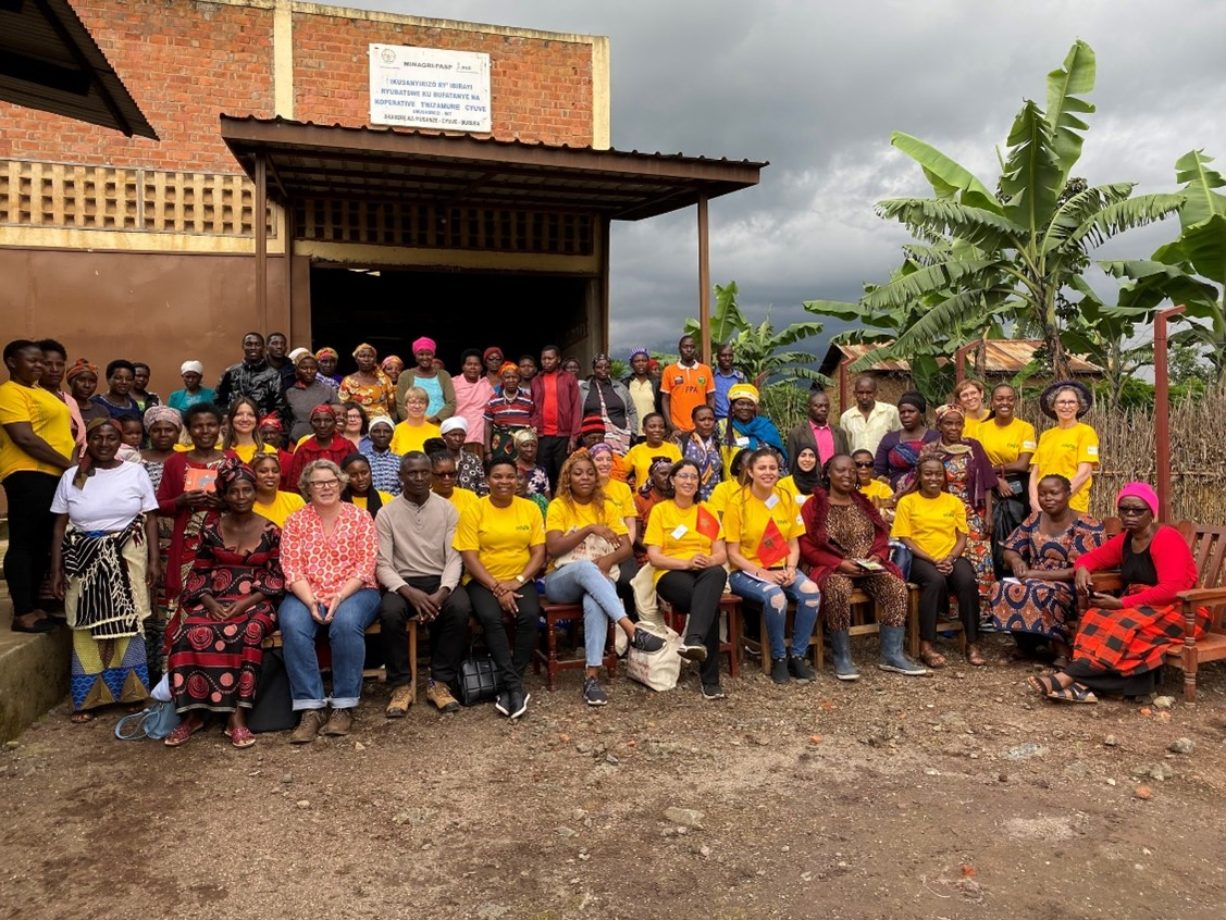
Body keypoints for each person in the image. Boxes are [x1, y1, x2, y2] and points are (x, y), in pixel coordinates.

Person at [1030, 482, 1204, 704]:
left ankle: (1067, 678)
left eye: (1138, 510)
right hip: (1143, 605)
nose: (1130, 515)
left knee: (1125, 626)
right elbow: (1092, 558)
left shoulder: (1166, 538)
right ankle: (1131, 686)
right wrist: (1082, 569)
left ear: (1151, 512)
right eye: (1124, 509)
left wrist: (1123, 604)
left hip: (1182, 608)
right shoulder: (1126, 539)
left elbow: (1173, 589)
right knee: (1095, 616)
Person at [163, 459, 284, 748]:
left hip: (257, 601)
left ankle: (237, 717)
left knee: (247, 632)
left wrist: (243, 605)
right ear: (224, 495)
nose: (241, 497)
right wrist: (210, 602)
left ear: (255, 493)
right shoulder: (212, 529)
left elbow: (277, 577)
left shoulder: (271, 530)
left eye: (246, 491)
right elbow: (199, 572)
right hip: (215, 598)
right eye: (234, 492)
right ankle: (193, 715)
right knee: (188, 632)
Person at [49, 418, 159, 720]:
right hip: (82, 558)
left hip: (127, 555)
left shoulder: (135, 472)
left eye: (111, 438)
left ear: (119, 441)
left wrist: (154, 561)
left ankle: (132, 694)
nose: (105, 443)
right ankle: (88, 700)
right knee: (85, 624)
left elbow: (149, 517)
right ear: (88, 442)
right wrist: (56, 569)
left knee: (128, 622)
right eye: (97, 437)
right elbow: (59, 524)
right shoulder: (73, 476)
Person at [543, 450, 662, 705]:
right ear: (568, 478)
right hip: (560, 579)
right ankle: (631, 628)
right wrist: (589, 529)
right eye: (578, 473)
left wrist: (609, 559)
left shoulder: (606, 505)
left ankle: (591, 677)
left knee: (594, 601)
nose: (584, 477)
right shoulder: (559, 505)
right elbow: (553, 549)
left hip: (597, 575)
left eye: (589, 473)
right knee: (587, 568)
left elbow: (626, 548)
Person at [279, 458, 381, 742]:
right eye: (318, 483)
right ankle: (310, 708)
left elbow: (365, 566)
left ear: (341, 483)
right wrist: (311, 601)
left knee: (346, 623)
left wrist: (339, 596)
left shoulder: (360, 517)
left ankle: (344, 706)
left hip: (356, 591)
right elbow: (292, 567)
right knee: (291, 622)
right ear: (307, 488)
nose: (325, 487)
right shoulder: (296, 520)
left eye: (331, 481)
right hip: (306, 592)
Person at [800, 454, 925, 680]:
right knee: (838, 589)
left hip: (867, 567)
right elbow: (807, 547)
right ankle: (842, 656)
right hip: (832, 566)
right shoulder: (814, 505)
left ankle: (892, 655)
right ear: (828, 473)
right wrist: (840, 563)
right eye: (841, 470)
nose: (847, 475)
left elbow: (881, 537)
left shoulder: (863, 502)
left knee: (896, 588)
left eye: (852, 470)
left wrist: (878, 556)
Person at [376, 452, 471, 717]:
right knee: (390, 612)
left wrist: (442, 592)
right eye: (412, 473)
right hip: (403, 583)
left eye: (424, 472)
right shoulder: (387, 513)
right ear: (400, 477)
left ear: (431, 475)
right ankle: (401, 685)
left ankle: (439, 682)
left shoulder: (447, 509)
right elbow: (383, 563)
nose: (419, 478)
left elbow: (455, 558)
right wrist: (408, 592)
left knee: (460, 607)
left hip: (439, 579)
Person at [454, 456, 546, 720]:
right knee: (491, 618)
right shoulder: (475, 510)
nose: (504, 482)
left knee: (529, 615)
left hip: (520, 578)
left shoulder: (529, 509)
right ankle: (514, 685)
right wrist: (497, 587)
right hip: (483, 581)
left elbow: (539, 553)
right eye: (497, 476)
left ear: (517, 480)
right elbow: (469, 556)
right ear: (486, 480)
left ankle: (509, 683)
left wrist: (516, 581)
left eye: (510, 476)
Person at [723, 447, 821, 684]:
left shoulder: (785, 497)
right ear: (750, 471)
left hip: (782, 567)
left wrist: (790, 568)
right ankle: (778, 657)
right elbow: (732, 554)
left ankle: (797, 655)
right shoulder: (738, 502)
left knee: (812, 592)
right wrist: (762, 573)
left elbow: (794, 543)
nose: (768, 472)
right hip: (747, 571)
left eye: (773, 468)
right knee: (776, 597)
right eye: (762, 468)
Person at [990, 474, 1104, 666]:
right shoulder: (1034, 519)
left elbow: (1077, 570)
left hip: (1071, 584)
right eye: (1042, 494)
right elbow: (1010, 548)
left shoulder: (1086, 524)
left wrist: (1035, 574)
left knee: (1040, 591)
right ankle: (1026, 643)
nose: (1047, 498)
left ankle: (1061, 651)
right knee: (1001, 588)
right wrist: (1016, 560)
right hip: (1032, 579)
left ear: (1068, 494)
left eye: (1054, 493)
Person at [1, 340, 75, 632]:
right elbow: (25, 438)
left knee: (43, 542)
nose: (39, 366)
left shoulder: (39, 392)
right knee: (24, 541)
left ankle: (36, 605)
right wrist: (66, 464)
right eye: (31, 361)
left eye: (41, 362)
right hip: (28, 474)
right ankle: (23, 611)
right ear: (10, 362)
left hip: (52, 476)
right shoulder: (9, 393)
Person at [644, 458, 730, 698]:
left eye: (693, 477)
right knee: (708, 604)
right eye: (683, 476)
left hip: (704, 571)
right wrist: (686, 562)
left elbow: (721, 553)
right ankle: (710, 680)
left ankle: (693, 639)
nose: (689, 481)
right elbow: (654, 557)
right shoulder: (661, 510)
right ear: (672, 479)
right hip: (671, 572)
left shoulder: (707, 510)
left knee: (717, 572)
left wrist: (708, 560)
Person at [891, 456, 982, 668]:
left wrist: (950, 558)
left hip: (950, 556)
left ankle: (972, 642)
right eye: (928, 473)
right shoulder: (907, 502)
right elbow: (905, 538)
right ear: (919, 476)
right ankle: (927, 644)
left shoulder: (954, 502)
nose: (934, 478)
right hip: (920, 558)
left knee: (967, 580)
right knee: (935, 580)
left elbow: (962, 537)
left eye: (938, 474)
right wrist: (932, 559)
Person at [156, 403, 228, 602]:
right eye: (198, 426)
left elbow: (246, 502)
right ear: (188, 430)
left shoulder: (231, 460)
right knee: (184, 593)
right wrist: (181, 501)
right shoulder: (175, 462)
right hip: (185, 542)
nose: (205, 431)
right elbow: (160, 504)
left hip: (224, 542)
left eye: (211, 425)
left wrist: (222, 503)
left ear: (220, 427)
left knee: (222, 592)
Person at [141, 405, 183, 674]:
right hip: (143, 532)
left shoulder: (184, 459)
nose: (163, 434)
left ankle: (170, 663)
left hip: (175, 534)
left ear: (178, 432)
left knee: (169, 596)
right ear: (149, 431)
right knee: (148, 595)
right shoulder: (136, 460)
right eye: (157, 429)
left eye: (169, 429)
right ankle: (148, 666)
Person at [977, 383, 1037, 571]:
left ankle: (1020, 574)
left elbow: (1022, 465)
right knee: (993, 531)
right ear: (992, 402)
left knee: (1019, 530)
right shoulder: (981, 429)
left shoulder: (1025, 428)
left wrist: (993, 469)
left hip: (1018, 487)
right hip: (990, 487)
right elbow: (977, 464)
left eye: (1009, 399)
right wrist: (996, 479)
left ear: (1015, 402)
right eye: (1000, 399)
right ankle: (996, 577)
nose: (1005, 403)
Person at [1030, 380, 1099, 516]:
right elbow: (1035, 473)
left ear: (1079, 406)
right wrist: (1034, 500)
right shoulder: (1046, 435)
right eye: (1061, 402)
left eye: (1071, 402)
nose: (1066, 406)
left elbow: (1084, 472)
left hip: (1072, 506)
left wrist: (1059, 498)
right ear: (1053, 406)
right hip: (1043, 506)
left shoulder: (1086, 432)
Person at [530, 345, 582, 488]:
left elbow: (576, 408)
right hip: (542, 436)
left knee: (563, 473)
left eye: (550, 358)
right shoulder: (536, 380)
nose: (546, 362)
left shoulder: (569, 379)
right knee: (542, 474)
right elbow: (533, 407)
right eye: (543, 359)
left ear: (558, 359)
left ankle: (564, 504)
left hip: (563, 436)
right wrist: (534, 425)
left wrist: (574, 437)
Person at [872, 391, 938, 491]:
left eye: (911, 411)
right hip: (895, 491)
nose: (906, 415)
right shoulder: (890, 438)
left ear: (920, 413)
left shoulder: (934, 436)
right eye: (902, 412)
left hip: (927, 490)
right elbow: (879, 469)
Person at [719, 383, 787, 478]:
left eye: (750, 404)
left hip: (763, 486)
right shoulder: (721, 426)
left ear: (754, 407)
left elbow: (779, 461)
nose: (745, 407)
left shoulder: (766, 427)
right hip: (732, 487)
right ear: (733, 407)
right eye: (741, 403)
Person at [215, 332, 286, 419]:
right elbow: (219, 400)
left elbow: (280, 406)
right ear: (243, 346)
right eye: (249, 344)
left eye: (257, 344)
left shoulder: (273, 375)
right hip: (234, 421)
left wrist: (267, 422)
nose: (253, 348)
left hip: (260, 424)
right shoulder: (231, 372)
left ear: (263, 348)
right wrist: (226, 416)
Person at [578, 353, 636, 452]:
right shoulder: (583, 389)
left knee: (618, 465)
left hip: (620, 436)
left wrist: (633, 432)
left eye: (607, 367)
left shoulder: (620, 387)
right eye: (599, 367)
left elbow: (631, 410)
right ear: (593, 368)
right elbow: (577, 412)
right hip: (592, 437)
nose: (603, 370)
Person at [36, 339, 85, 450]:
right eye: (47, 364)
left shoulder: (69, 400)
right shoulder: (30, 395)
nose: (54, 369)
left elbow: (80, 438)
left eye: (59, 365)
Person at [660, 334, 715, 434]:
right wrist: (671, 425)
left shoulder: (705, 370)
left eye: (692, 347)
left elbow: (711, 397)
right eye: (685, 347)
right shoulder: (669, 370)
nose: (689, 350)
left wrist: (709, 422)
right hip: (678, 428)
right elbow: (665, 399)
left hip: (700, 427)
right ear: (679, 349)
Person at [288, 404, 352, 489]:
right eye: (317, 420)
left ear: (334, 423)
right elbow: (293, 483)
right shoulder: (303, 450)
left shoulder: (347, 446)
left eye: (328, 420)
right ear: (311, 423)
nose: (322, 425)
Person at [395, 337, 455, 423]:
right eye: (421, 354)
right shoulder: (405, 376)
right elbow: (400, 404)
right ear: (415, 356)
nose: (425, 357)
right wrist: (413, 422)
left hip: (439, 425)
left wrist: (435, 419)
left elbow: (451, 403)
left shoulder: (444, 375)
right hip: (413, 425)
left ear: (433, 355)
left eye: (428, 354)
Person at [839, 374, 901, 455]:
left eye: (869, 392)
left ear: (875, 393)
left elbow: (899, 438)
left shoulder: (890, 412)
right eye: (861, 393)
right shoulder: (846, 417)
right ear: (855, 394)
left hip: (885, 464)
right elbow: (847, 446)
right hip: (858, 465)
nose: (864, 396)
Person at [786, 390, 849, 471]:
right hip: (808, 481)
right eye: (818, 406)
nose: (823, 409)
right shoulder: (797, 434)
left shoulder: (839, 433)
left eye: (826, 406)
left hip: (834, 481)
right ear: (808, 408)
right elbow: (792, 465)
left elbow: (846, 461)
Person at [484, 362, 534, 461]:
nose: (511, 380)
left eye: (514, 377)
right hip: (500, 443)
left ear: (519, 379)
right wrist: (488, 451)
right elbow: (488, 425)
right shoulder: (493, 400)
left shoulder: (528, 400)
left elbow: (533, 421)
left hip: (522, 443)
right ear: (502, 379)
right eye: (507, 377)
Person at [285, 352, 340, 441]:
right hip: (296, 441)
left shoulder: (328, 390)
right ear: (297, 369)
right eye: (304, 368)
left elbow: (337, 415)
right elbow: (286, 420)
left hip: (325, 441)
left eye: (313, 368)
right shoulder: (290, 393)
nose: (309, 371)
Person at [624, 412, 682, 490]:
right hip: (641, 499)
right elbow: (619, 473)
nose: (657, 430)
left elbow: (681, 474)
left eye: (661, 427)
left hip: (667, 498)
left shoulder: (673, 449)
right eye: (652, 426)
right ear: (644, 430)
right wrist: (627, 484)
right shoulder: (636, 450)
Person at [339, 343, 397, 419]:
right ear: (356, 359)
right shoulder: (348, 381)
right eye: (362, 356)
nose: (366, 359)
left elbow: (392, 408)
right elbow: (343, 408)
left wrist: (394, 426)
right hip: (357, 424)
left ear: (375, 359)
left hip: (381, 426)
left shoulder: (384, 380)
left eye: (370, 356)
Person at [678, 404, 722, 501]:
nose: (707, 423)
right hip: (690, 497)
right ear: (694, 421)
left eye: (710, 419)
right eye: (702, 420)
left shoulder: (719, 442)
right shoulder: (683, 441)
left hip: (715, 498)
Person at [251, 452, 304, 528]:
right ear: (253, 474)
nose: (270, 475)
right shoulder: (246, 506)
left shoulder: (295, 501)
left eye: (275, 471)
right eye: (263, 471)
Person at [452, 349, 489, 452]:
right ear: (463, 366)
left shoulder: (486, 385)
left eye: (476, 364)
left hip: (478, 437)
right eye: (469, 364)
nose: (472, 367)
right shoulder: (453, 383)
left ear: (481, 367)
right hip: (457, 434)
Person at [438, 416, 486, 495]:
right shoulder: (436, 459)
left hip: (470, 505)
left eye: (461, 435)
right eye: (453, 435)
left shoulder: (473, 459)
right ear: (444, 436)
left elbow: (481, 485)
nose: (458, 438)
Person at [223, 396, 276, 465]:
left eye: (250, 415)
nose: (245, 419)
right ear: (231, 419)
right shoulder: (219, 452)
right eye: (239, 414)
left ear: (256, 420)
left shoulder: (269, 451)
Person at [428, 447, 480, 518]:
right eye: (441, 475)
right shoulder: (423, 500)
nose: (447, 478)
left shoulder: (470, 498)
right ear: (430, 475)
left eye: (451, 474)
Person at [390, 386, 442, 455]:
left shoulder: (437, 431)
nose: (417, 406)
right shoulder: (395, 431)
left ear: (426, 406)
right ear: (406, 405)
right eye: (412, 402)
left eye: (421, 402)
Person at [360, 415, 401, 496]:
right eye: (376, 431)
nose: (382, 434)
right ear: (369, 434)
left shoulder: (400, 461)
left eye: (386, 431)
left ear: (392, 434)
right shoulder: (361, 459)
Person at [624, 347, 661, 437]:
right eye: (637, 361)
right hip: (632, 433)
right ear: (631, 364)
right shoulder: (625, 383)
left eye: (644, 360)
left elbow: (660, 408)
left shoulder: (656, 383)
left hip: (652, 433)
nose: (641, 364)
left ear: (648, 363)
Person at [66, 358, 110, 428]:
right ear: (71, 381)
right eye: (81, 380)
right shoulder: (62, 407)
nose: (87, 385)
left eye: (92, 381)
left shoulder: (101, 411)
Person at [707, 448, 749, 520]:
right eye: (749, 463)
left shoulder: (760, 491)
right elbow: (717, 520)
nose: (753, 467)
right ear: (739, 466)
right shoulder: (723, 489)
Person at [512, 428, 551, 499]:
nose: (529, 449)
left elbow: (547, 498)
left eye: (533, 446)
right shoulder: (511, 468)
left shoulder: (541, 471)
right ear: (517, 447)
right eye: (525, 446)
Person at [712, 342, 746, 421]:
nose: (727, 358)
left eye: (730, 355)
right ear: (717, 357)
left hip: (736, 420)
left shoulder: (740, 377)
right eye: (723, 356)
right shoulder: (711, 376)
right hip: (716, 420)